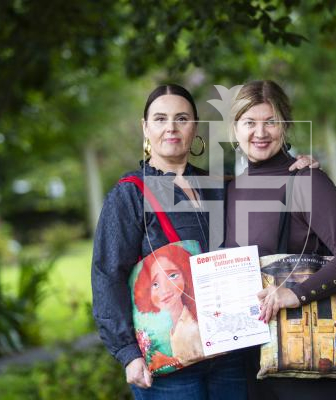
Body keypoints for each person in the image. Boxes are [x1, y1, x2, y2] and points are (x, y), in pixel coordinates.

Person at [91, 83, 316, 400]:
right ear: (145, 128)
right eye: (160, 119)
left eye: (181, 118)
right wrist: (127, 353)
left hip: (231, 352)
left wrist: (296, 168)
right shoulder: (129, 194)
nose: (171, 127)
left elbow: (267, 196)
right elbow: (107, 275)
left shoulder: (220, 185)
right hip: (172, 361)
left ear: (194, 127)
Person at [225, 80, 336, 400]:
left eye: (271, 122)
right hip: (257, 358)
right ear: (234, 128)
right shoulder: (229, 191)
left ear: (286, 126)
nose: (260, 133)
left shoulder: (305, 181)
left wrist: (296, 293)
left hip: (314, 356)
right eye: (249, 122)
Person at [133, 244, 203, 369]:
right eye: (155, 284)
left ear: (185, 274)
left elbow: (203, 354)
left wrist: (166, 361)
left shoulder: (191, 326)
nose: (165, 290)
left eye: (172, 276)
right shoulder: (177, 325)